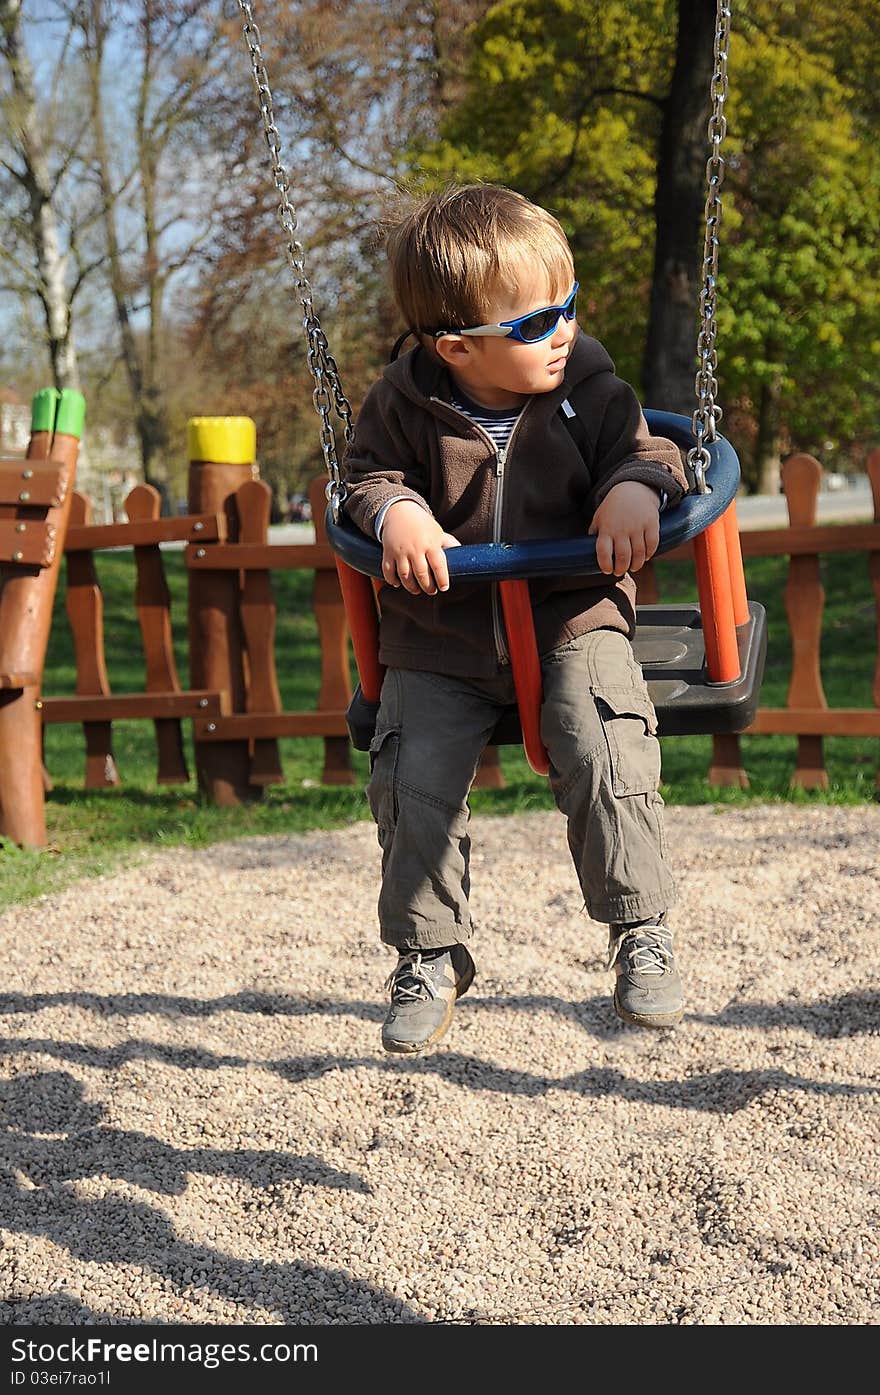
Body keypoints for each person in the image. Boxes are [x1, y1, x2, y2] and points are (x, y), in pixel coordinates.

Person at [343, 183, 689, 1054]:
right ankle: (428, 952)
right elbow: (366, 479)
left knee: (603, 737)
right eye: (536, 322)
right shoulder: (403, 405)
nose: (563, 329)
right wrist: (400, 516)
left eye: (568, 306)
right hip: (443, 634)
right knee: (409, 777)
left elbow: (648, 449)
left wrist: (633, 490)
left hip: (571, 616)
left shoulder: (591, 390)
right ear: (456, 346)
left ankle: (639, 929)